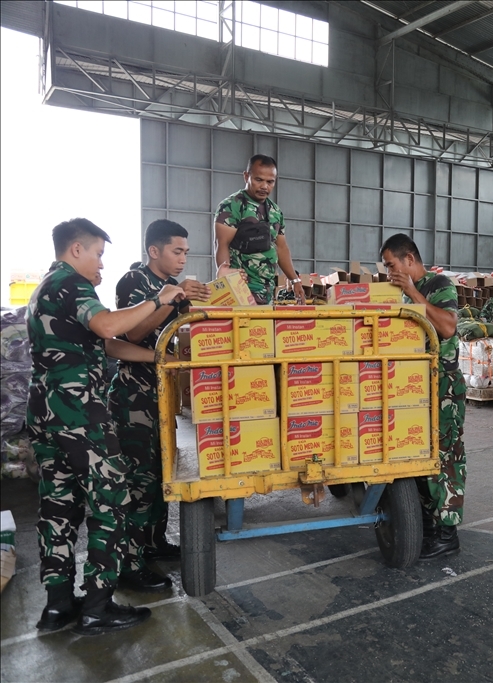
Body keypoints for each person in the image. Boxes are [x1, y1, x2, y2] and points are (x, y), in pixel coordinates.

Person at [29, 218, 185, 635]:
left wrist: (157, 359)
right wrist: (161, 300)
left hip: (47, 414)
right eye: (97, 253)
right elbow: (107, 325)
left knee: (59, 506)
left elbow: (110, 343)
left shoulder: (47, 287)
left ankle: (59, 606)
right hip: (79, 414)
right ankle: (98, 604)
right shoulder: (71, 283)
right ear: (76, 249)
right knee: (111, 497)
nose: (101, 264)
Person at [108, 220, 211, 592]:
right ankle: (128, 563)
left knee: (160, 473)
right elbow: (132, 334)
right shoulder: (134, 282)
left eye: (185, 251)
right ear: (155, 251)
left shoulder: (173, 288)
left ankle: (153, 543)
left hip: (165, 394)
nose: (183, 258)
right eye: (177, 251)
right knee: (139, 480)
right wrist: (172, 297)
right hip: (136, 397)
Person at [380, 235, 465, 559]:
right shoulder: (400, 293)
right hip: (415, 388)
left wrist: (413, 294)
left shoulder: (438, 284)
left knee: (446, 458)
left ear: (410, 260)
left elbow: (447, 327)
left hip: (443, 388)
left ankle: (448, 533)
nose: (389, 272)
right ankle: (428, 525)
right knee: (418, 456)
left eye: (392, 265)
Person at [214, 154, 305, 305]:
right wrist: (227, 283)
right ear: (246, 176)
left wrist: (294, 280)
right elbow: (221, 243)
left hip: (267, 293)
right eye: (258, 180)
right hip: (241, 291)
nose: (264, 186)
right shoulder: (232, 206)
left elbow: (281, 248)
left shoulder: (275, 211)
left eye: (270, 182)